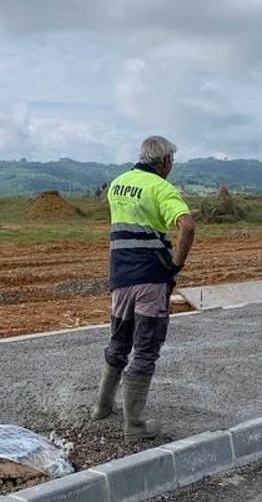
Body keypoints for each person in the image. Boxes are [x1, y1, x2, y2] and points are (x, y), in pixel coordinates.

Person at [91, 136, 196, 441]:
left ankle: (102, 408)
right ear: (164, 161)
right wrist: (176, 263)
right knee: (146, 349)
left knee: (118, 343)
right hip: (151, 279)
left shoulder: (118, 183)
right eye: (171, 162)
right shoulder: (162, 188)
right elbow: (187, 225)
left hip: (120, 278)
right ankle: (134, 426)